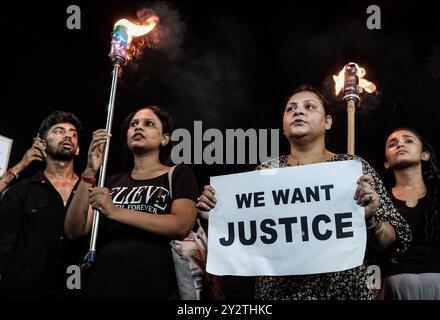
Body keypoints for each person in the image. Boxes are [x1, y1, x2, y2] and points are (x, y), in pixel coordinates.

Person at [197, 84, 412, 300]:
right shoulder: (264, 173)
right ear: (283, 126)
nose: (298, 112)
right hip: (279, 295)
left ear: (328, 122)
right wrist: (217, 217)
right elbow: (246, 239)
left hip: (343, 293)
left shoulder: (354, 168)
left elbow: (388, 242)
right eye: (291, 109)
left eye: (309, 107)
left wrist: (370, 220)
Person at [64, 105, 199, 299]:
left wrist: (115, 211)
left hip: (154, 285)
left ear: (165, 138)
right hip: (103, 284)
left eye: (148, 123)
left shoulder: (178, 174)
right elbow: (73, 230)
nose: (138, 127)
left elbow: (181, 225)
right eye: (133, 124)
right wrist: (90, 171)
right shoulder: (109, 182)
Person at [0, 110, 85, 299]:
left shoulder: (88, 191)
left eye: (73, 133)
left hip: (72, 289)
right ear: (42, 144)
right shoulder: (20, 191)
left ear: (78, 149)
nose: (68, 135)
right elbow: (5, 246)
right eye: (59, 131)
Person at [379, 128, 440, 299]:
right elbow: (373, 255)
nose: (400, 144)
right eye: (392, 144)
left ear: (424, 155)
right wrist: (372, 289)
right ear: (387, 163)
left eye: (408, 140)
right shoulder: (378, 200)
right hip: (394, 284)